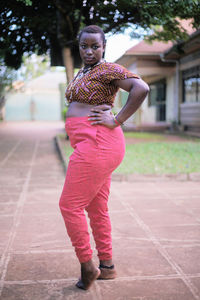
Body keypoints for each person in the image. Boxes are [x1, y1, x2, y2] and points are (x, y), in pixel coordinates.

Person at [59, 25, 149, 290]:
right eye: (84, 46)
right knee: (96, 208)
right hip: (92, 144)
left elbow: (141, 88)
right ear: (79, 47)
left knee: (69, 205)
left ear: (103, 47)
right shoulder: (84, 72)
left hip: (98, 143)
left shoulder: (108, 69)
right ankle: (107, 266)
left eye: (94, 46)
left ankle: (88, 266)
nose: (89, 51)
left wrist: (117, 120)